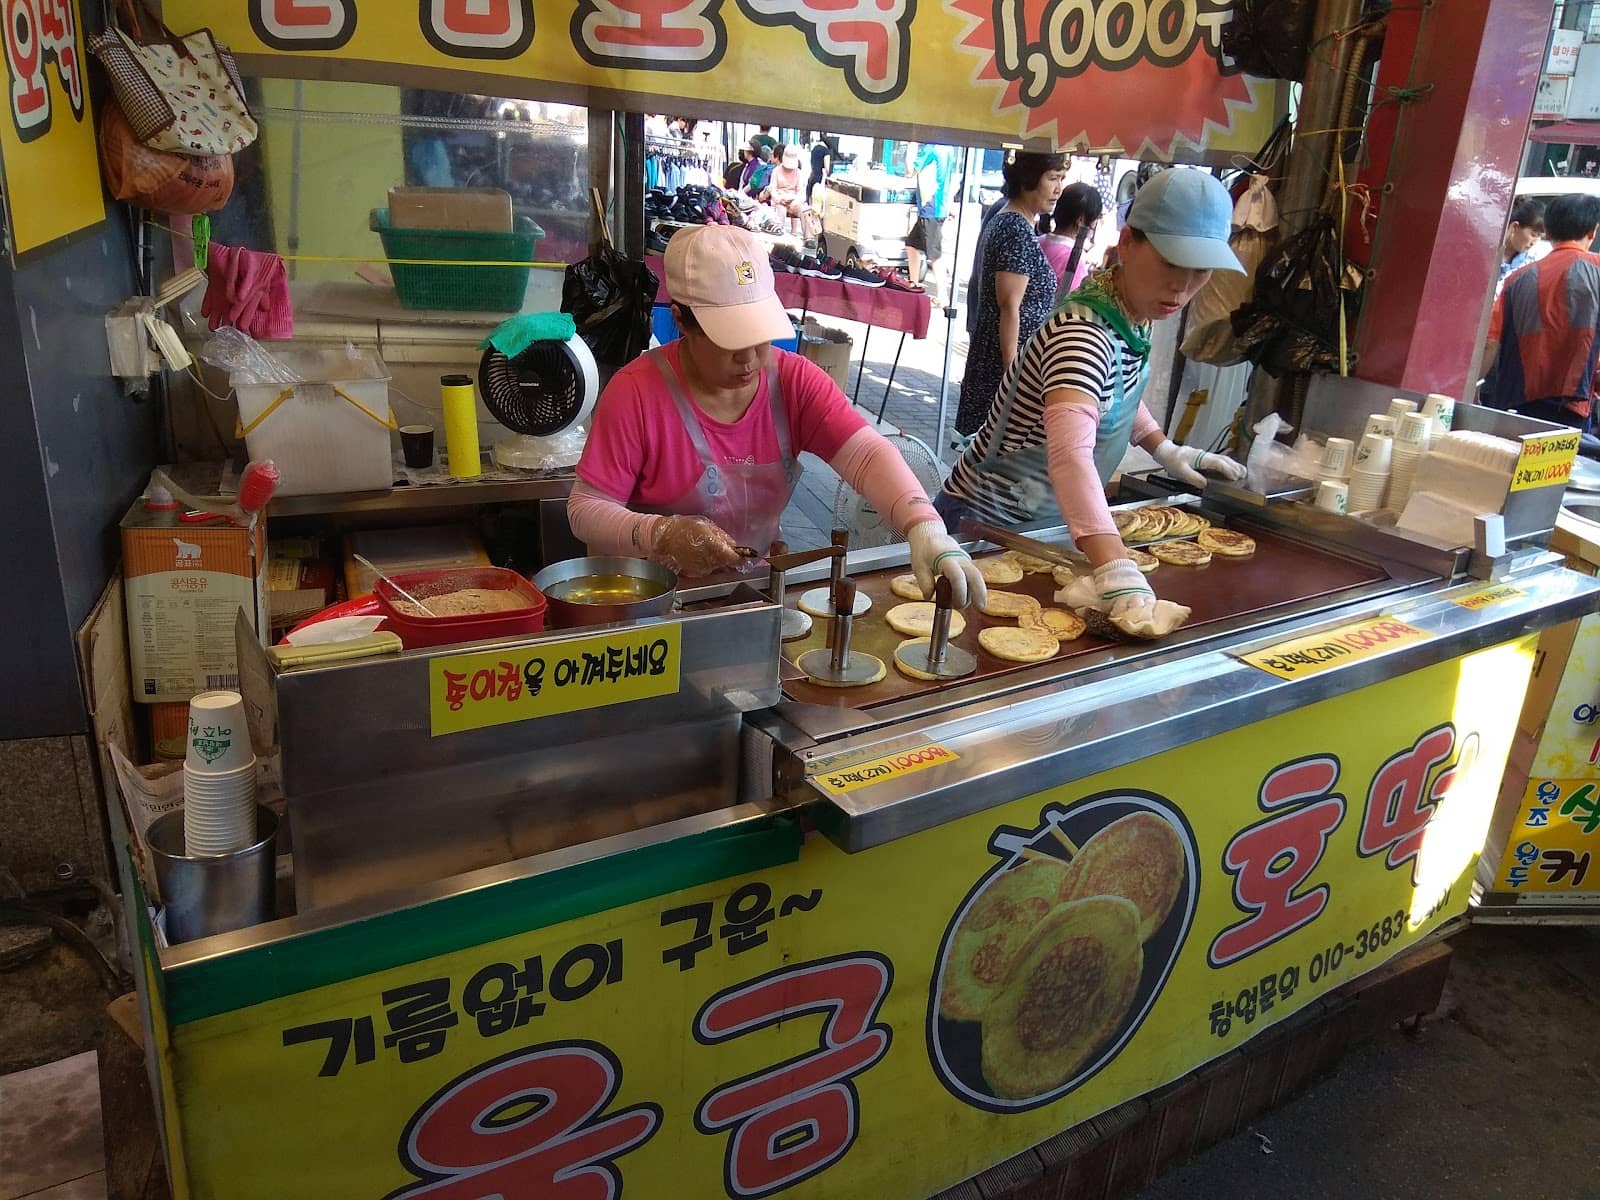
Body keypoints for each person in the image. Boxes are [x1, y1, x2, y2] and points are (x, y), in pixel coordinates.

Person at [568, 226, 988, 608]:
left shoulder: (793, 381)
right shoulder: (636, 393)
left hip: (754, 595)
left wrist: (924, 526)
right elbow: (586, 509)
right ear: (680, 318)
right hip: (650, 603)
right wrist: (659, 534)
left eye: (760, 335)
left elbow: (865, 454)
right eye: (730, 339)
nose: (751, 357)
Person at [934, 169, 1249, 636]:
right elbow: (1070, 457)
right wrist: (1118, 569)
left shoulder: (1128, 313)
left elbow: (1110, 396)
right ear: (1127, 243)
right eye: (1170, 263)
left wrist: (1165, 448)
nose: (1182, 288)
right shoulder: (1082, 335)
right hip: (988, 528)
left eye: (1200, 271)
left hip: (1043, 527)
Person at [956, 152, 1068, 436]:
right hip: (1000, 369)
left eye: (1062, 179)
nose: (1058, 189)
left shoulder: (1014, 220)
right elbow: (1009, 307)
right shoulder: (1015, 228)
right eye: (1052, 178)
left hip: (1002, 365)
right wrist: (1012, 380)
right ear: (1029, 178)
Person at [1480, 192, 1600, 431]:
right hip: (1572, 405)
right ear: (1592, 232)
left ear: (1549, 231)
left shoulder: (1517, 279)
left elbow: (1491, 343)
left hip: (1518, 405)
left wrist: (1472, 390)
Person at [905, 143, 956, 300]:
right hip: (937, 205)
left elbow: (909, 171)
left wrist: (911, 146)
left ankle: (942, 295)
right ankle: (913, 284)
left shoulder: (929, 149)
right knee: (912, 245)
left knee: (934, 253)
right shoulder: (948, 148)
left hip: (930, 206)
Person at [1039, 182, 1104, 299]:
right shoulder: (1074, 261)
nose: (1095, 224)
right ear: (1081, 220)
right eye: (1095, 218)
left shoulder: (1037, 242)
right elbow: (1069, 306)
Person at [764, 145, 822, 244]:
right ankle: (779, 235)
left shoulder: (798, 173)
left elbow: (801, 191)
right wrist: (779, 199)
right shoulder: (776, 171)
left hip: (794, 201)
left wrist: (796, 200)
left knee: (804, 210)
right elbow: (772, 189)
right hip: (780, 201)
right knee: (780, 210)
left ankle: (809, 238)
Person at [1498, 197, 1545, 289]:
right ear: (1514, 227)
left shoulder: (1532, 263)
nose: (1534, 242)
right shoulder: (1488, 256)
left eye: (1540, 237)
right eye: (1533, 235)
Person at [807, 132, 832, 204]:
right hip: (820, 180)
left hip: (811, 178)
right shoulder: (826, 151)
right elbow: (827, 168)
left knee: (810, 203)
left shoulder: (814, 149)